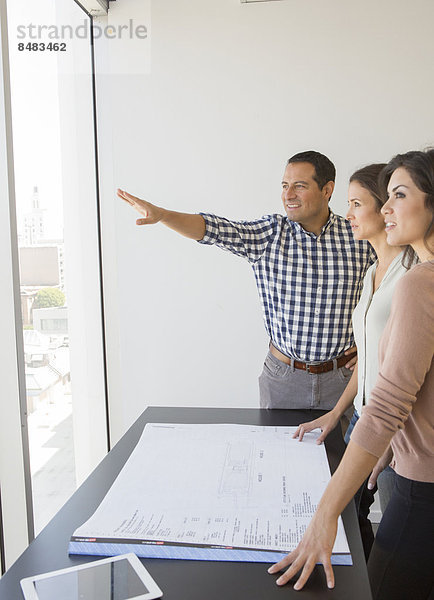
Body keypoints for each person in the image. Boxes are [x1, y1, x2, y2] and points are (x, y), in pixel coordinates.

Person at [268, 149, 434, 600]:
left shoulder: (418, 279)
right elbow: (375, 361)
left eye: (397, 196)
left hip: (417, 471)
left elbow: (390, 400)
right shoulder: (374, 273)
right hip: (397, 449)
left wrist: (324, 515)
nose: (384, 209)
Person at [118, 151, 374, 413]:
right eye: (285, 186)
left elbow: (393, 293)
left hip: (343, 380)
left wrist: (372, 344)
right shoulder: (270, 234)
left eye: (300, 186)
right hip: (284, 380)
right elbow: (213, 229)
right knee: (276, 453)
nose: (288, 195)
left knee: (343, 455)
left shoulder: (360, 237)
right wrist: (162, 215)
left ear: (327, 189)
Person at [293, 163, 407, 559]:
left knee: (402, 537)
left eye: (357, 204)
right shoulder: (373, 270)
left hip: (396, 431)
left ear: (385, 208)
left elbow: (412, 373)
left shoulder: (413, 276)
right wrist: (337, 411)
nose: (348, 214)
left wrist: (394, 437)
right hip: (363, 417)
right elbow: (370, 354)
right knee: (352, 522)